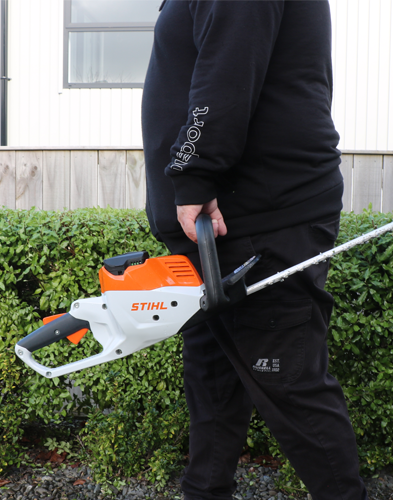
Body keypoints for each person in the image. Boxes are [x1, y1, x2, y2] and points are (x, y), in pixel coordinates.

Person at [141, 1, 367, 499]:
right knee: (213, 375)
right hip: (225, 228)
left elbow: (226, 68)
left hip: (257, 219)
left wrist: (196, 171)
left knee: (289, 381)